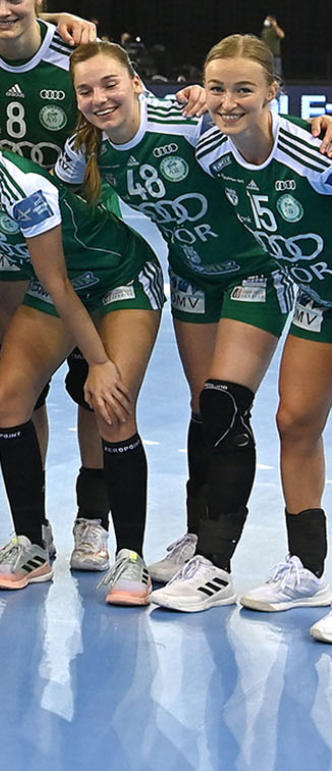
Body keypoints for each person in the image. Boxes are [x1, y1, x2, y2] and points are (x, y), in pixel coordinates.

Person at [56, 40, 291, 613]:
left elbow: (263, 138)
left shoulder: (188, 122)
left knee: (225, 404)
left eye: (110, 84)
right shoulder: (86, 149)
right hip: (191, 274)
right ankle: (195, 537)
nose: (99, 98)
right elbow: (53, 197)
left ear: (137, 82)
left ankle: (216, 563)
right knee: (202, 405)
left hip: (254, 269)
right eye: (85, 90)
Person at [0, 83, 161, 602]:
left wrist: (98, 362)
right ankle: (30, 543)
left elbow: (57, 285)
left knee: (112, 404)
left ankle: (131, 558)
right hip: (62, 283)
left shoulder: (24, 188)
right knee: (9, 397)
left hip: (117, 274)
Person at [0, 0, 115, 573]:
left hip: (81, 238)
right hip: (5, 243)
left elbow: (126, 111)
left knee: (92, 383)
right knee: (24, 383)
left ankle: (93, 518)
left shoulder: (77, 55)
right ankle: (32, 526)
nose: (3, 10)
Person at [195, 35, 332, 642]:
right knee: (294, 422)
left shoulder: (312, 156)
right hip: (317, 297)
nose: (228, 102)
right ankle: (308, 570)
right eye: (217, 88)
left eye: (243, 89)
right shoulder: (213, 152)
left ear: (273, 91)